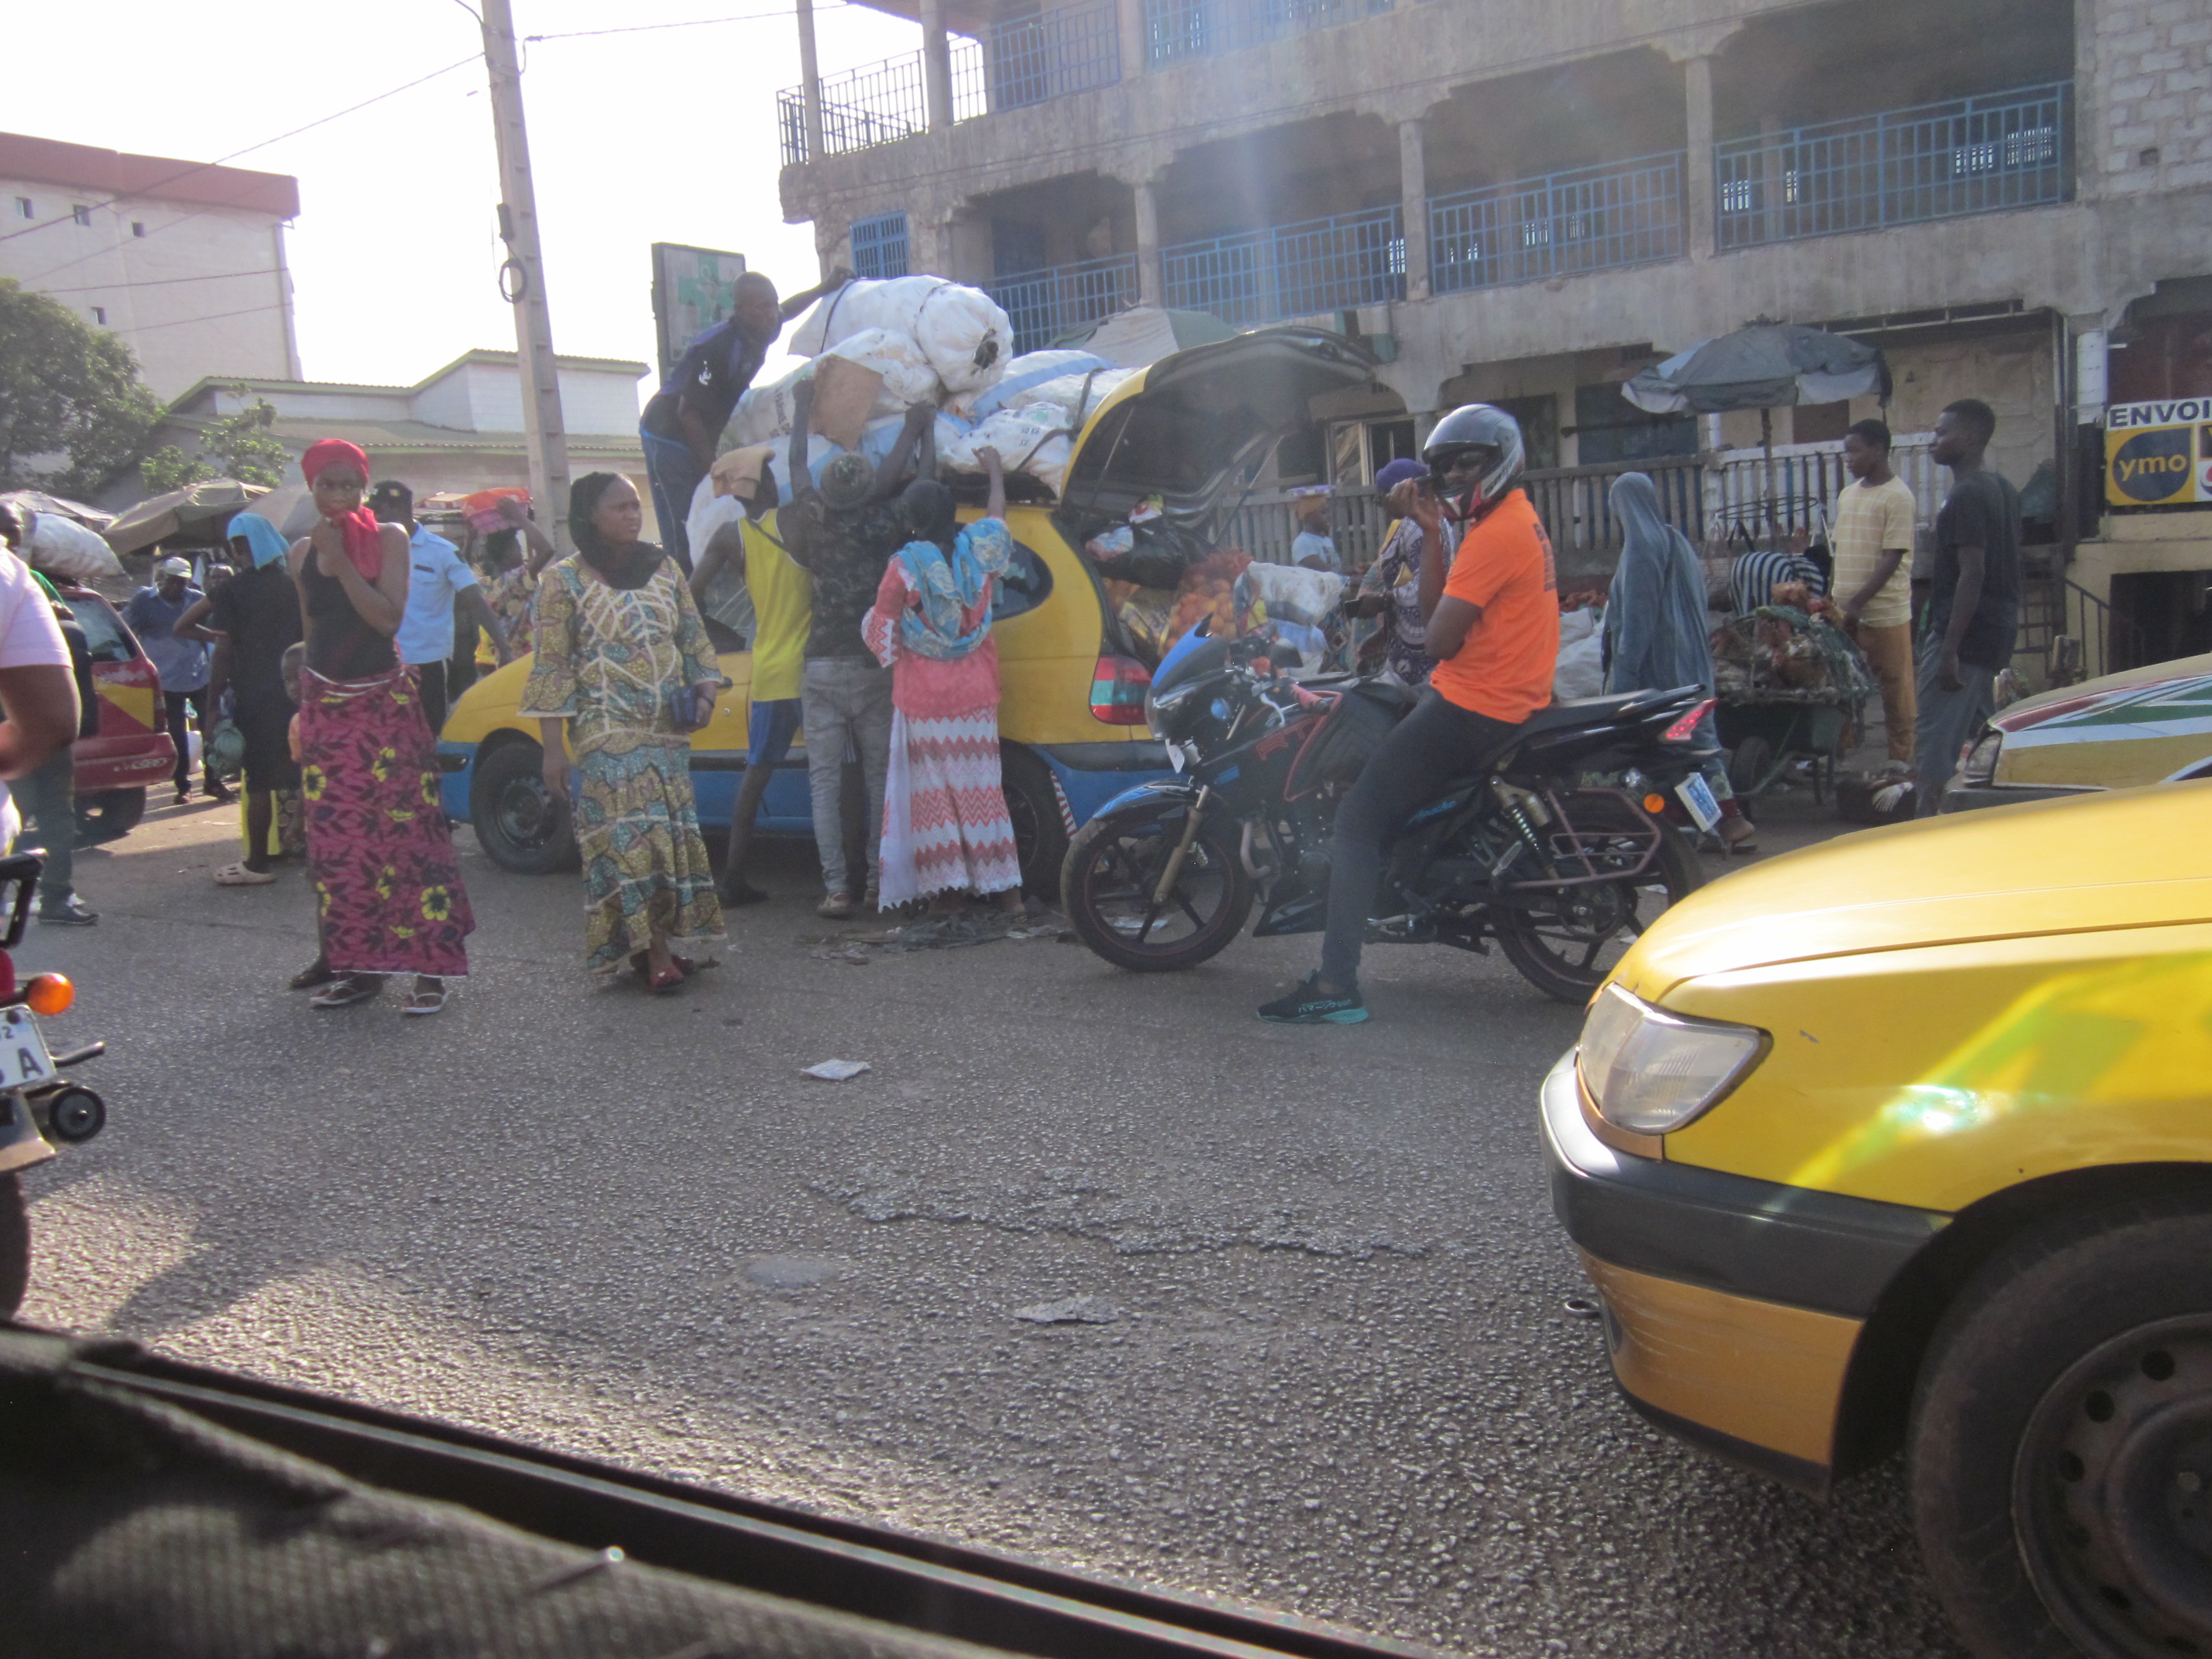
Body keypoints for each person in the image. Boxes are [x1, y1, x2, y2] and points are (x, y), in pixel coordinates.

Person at [1259, 405, 1557, 1026]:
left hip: (1475, 702)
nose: (1456, 478)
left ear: (1499, 462)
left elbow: (1438, 639)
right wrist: (1429, 528)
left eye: (1467, 465)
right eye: (1447, 469)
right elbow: (1437, 609)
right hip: (1498, 693)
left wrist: (1431, 538)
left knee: (1357, 819)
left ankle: (1336, 984)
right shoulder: (1514, 519)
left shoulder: (1494, 535)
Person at [289, 440, 475, 1014]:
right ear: (312, 488)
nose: (339, 496)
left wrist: (342, 561)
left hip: (383, 709)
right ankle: (359, 969)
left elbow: (387, 619)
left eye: (350, 485)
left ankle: (429, 971)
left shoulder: (390, 539)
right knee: (341, 846)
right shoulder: (300, 552)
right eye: (328, 485)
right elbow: (311, 631)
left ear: (364, 489)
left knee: (408, 839)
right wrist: (302, 707)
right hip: (327, 708)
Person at [520, 472, 725, 989]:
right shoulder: (562, 581)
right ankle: (655, 954)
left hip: (666, 727)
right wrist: (552, 749)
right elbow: (552, 666)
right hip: (605, 726)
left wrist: (705, 695)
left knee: (667, 836)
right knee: (633, 837)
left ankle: (653, 943)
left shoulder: (664, 568)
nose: (633, 516)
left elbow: (694, 639)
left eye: (635, 506)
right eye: (620, 507)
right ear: (589, 515)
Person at [782, 385, 935, 919]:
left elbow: (796, 467)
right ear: (871, 492)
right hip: (875, 663)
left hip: (821, 664)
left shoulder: (814, 518)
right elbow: (917, 481)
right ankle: (875, 883)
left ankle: (836, 890)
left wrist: (803, 406)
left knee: (823, 783)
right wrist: (919, 430)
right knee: (878, 780)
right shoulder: (885, 522)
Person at [864, 448, 1025, 915]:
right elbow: (998, 518)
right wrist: (995, 472)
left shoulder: (905, 566)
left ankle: (949, 897)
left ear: (912, 519)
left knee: (936, 801)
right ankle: (1009, 896)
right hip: (976, 698)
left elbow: (882, 634)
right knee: (983, 794)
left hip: (924, 703)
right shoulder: (979, 548)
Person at [638, 267, 851, 572]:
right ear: (740, 310)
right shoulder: (718, 347)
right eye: (762, 307)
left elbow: (787, 310)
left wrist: (823, 288)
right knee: (685, 520)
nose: (771, 315)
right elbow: (688, 412)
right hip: (668, 434)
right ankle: (684, 587)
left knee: (703, 510)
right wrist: (712, 468)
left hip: (699, 430)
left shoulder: (763, 328)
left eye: (772, 305)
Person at [1601, 471, 1755, 854]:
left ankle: (1656, 825)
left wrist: (1623, 684)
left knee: (1643, 751)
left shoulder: (1641, 549)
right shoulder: (1677, 541)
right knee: (1697, 747)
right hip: (1694, 667)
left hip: (1658, 673)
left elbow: (1637, 622)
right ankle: (1727, 820)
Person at [689, 452, 807, 906]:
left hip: (769, 670)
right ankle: (851, 881)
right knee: (838, 773)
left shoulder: (729, 536)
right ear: (767, 486)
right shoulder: (795, 521)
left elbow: (690, 595)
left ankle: (733, 879)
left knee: (756, 774)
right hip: (811, 668)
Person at [1914, 398, 2022, 817]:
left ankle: (1926, 831)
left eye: (1943, 433)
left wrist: (1949, 650)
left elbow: (1973, 572)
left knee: (1935, 745)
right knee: (1985, 742)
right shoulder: (2003, 489)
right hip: (1995, 634)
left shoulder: (1968, 495)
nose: (1933, 440)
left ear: (1972, 437)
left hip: (1966, 637)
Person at [187, 512, 305, 888]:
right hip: (299, 691)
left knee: (259, 782)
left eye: (237, 546)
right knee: (306, 774)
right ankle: (308, 850)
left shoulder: (233, 590)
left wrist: (210, 707)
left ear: (243, 546)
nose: (235, 553)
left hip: (256, 697)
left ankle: (257, 863)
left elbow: (218, 649)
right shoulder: (297, 583)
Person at [0, 505, 89, 916]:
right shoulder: (18, 578)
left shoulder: (32, 581)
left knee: (55, 817)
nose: (15, 539)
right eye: (8, 530)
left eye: (18, 531)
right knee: (37, 814)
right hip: (24, 727)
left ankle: (55, 894)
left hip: (27, 731)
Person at [371, 480, 509, 736]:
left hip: (428, 664)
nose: (375, 518)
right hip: (382, 663)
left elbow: (475, 600)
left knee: (431, 734)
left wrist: (505, 648)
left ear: (400, 508)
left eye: (380, 511)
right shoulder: (371, 550)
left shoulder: (442, 552)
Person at [1828, 418, 1918, 771]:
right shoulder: (1847, 495)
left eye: (1854, 452)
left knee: (1895, 687)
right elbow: (1839, 550)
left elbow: (1892, 557)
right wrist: (1834, 598)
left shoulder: (1898, 497)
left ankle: (1901, 757)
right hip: (1843, 611)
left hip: (1885, 613)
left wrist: (1858, 602)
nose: (1848, 459)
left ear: (1878, 450)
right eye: (1846, 452)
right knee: (1839, 683)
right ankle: (1840, 749)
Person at [125, 556, 226, 805]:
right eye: (171, 582)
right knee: (177, 734)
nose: (175, 588)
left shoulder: (196, 600)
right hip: (165, 679)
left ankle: (213, 780)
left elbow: (215, 631)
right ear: (161, 578)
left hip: (198, 674)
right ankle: (183, 786)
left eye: (181, 583)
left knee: (210, 729)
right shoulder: (144, 601)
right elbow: (126, 630)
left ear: (188, 582)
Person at [1347, 458, 1437, 685]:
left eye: (1382, 499)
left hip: (1418, 653)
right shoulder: (1410, 524)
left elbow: (1424, 587)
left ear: (1400, 493)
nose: (1383, 507)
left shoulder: (1419, 527)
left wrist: (1382, 600)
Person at [1291, 491, 1339, 572]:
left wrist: (1354, 571)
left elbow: (1336, 572)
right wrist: (1350, 579)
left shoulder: (1327, 540)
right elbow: (1326, 574)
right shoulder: (1303, 542)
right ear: (1309, 516)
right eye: (1324, 512)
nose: (1329, 516)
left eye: (1329, 512)